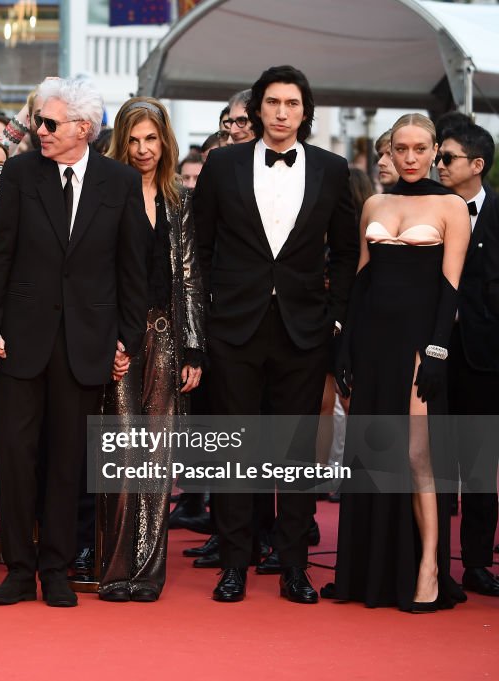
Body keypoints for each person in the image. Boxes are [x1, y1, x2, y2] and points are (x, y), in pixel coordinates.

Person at [0, 77, 151, 608]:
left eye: (49, 124)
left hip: (86, 340)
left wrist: (127, 339)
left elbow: (131, 267)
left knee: (67, 460)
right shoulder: (22, 172)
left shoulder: (118, 181)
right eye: (38, 122)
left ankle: (56, 568)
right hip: (22, 338)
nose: (39, 131)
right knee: (16, 456)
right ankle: (20, 570)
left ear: (83, 129)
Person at [193, 65, 358, 604]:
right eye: (273, 102)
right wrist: (210, 316)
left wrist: (332, 317)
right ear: (258, 109)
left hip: (303, 331)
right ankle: (235, 565)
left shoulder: (333, 170)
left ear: (304, 111)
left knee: (296, 454)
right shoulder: (223, 165)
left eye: (292, 103)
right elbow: (201, 247)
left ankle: (293, 567)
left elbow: (347, 250)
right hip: (235, 329)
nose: (282, 112)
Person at [332, 113, 470, 612]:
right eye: (400, 149)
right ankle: (370, 571)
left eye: (419, 149)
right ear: (389, 151)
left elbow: (451, 286)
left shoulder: (452, 206)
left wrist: (436, 351)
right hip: (371, 342)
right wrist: (344, 346)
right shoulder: (375, 201)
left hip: (417, 345)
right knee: (373, 456)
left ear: (435, 150)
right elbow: (362, 279)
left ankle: (429, 567)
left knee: (416, 458)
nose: (409, 158)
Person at [96, 97, 205, 603]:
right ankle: (114, 569)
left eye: (152, 139)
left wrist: (192, 349)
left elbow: (187, 276)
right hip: (118, 335)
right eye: (134, 140)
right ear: (122, 141)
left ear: (165, 142)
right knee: (120, 453)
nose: (143, 149)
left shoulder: (179, 198)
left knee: (156, 456)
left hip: (163, 336)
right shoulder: (105, 192)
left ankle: (147, 573)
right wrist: (106, 337)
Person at [436, 123, 499, 598]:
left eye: (448, 157)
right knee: (432, 464)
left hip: (484, 359)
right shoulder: (427, 208)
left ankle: (477, 563)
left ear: (477, 165)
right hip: (432, 355)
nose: (439, 164)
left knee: (479, 470)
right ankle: (432, 562)